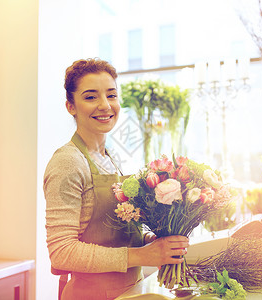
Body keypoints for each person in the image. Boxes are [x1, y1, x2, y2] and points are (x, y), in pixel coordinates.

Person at [44, 58, 189, 300]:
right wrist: (142, 256)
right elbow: (62, 252)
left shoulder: (110, 158)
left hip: (130, 291)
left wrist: (150, 240)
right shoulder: (68, 161)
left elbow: (115, 233)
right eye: (91, 97)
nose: (105, 105)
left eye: (111, 95)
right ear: (71, 106)